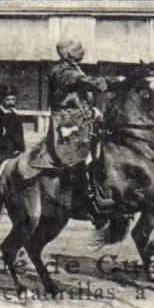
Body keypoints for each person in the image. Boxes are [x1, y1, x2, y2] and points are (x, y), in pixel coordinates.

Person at [18, 39, 113, 209]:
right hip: (67, 121)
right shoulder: (62, 70)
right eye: (77, 49)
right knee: (75, 158)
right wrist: (115, 82)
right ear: (67, 53)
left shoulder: (74, 68)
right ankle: (80, 195)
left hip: (82, 119)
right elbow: (87, 82)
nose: (82, 51)